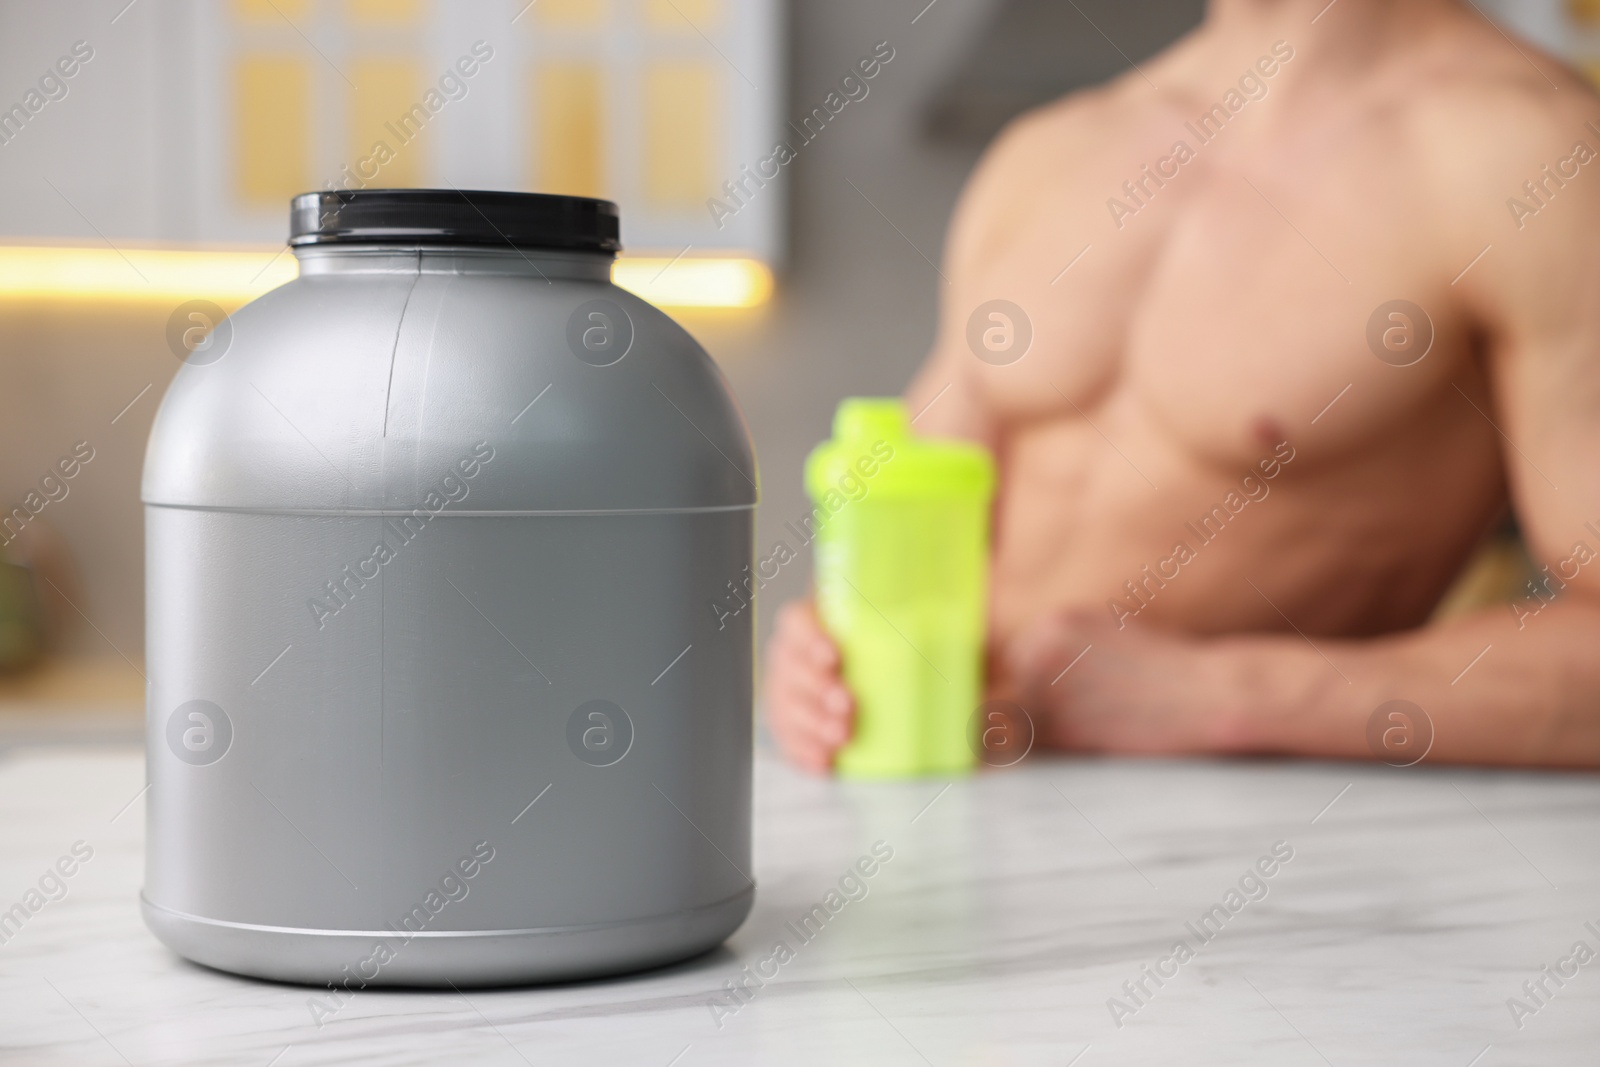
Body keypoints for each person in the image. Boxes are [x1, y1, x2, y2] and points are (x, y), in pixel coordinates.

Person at [764, 0, 1600, 772]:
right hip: (932, 803)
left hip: (1236, 857)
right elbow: (900, 518)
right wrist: (821, 658)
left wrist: (1225, 696)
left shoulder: (1532, 155)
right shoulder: (1051, 149)